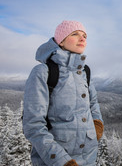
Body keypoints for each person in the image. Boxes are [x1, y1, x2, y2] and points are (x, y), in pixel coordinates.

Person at [23, 20, 104, 166]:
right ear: (60, 41)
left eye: (85, 35)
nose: (82, 38)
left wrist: (97, 124)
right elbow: (33, 125)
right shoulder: (43, 72)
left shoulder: (85, 71)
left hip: (89, 157)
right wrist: (62, 161)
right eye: (75, 34)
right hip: (55, 160)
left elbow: (93, 103)